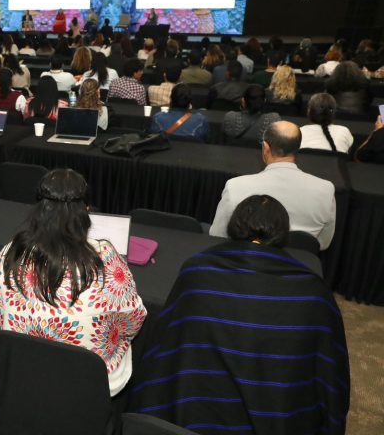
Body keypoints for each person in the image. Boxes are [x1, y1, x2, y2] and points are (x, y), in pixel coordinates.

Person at [130, 194, 349, 435]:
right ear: (283, 233)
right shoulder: (314, 292)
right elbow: (330, 371)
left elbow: (165, 344)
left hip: (195, 413)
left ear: (233, 226)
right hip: (279, 417)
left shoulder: (198, 271)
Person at [0, 169, 146, 422]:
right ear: (86, 210)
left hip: (22, 375)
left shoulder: (11, 253)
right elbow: (134, 317)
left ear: (39, 208)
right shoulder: (105, 259)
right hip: (84, 386)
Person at [210, 121, 336, 250]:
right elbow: (322, 244)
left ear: (265, 147)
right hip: (298, 260)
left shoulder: (235, 186)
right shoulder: (326, 190)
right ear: (298, 148)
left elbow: (218, 235)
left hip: (245, 259)